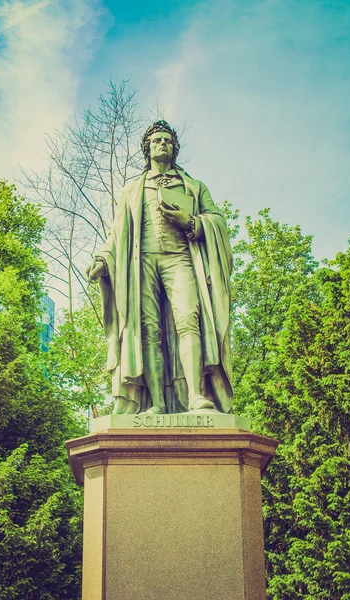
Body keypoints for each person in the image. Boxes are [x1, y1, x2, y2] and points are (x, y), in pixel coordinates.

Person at [86, 120, 233, 415]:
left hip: (181, 259)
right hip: (143, 265)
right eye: (156, 140)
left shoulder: (193, 186)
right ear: (147, 149)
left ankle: (195, 397)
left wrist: (192, 222)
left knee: (188, 321)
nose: (162, 143)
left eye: (167, 140)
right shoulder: (132, 190)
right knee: (148, 331)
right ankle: (157, 403)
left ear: (174, 148)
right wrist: (103, 259)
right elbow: (117, 233)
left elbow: (218, 221)